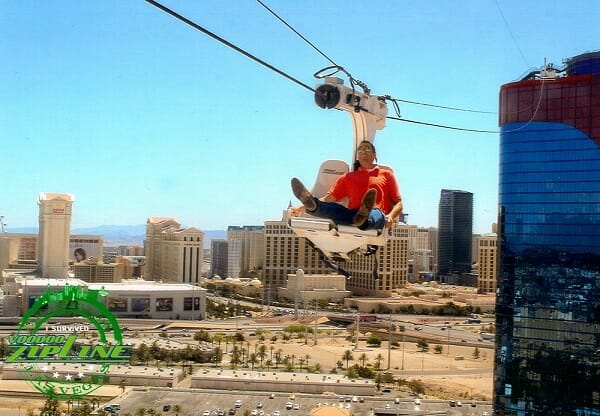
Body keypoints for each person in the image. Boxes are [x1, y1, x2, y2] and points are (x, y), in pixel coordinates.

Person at [290, 140, 403, 230]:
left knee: (375, 214)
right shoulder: (348, 177)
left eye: (367, 148)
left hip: (376, 213)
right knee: (335, 209)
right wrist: (303, 207)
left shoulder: (386, 174)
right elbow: (328, 199)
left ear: (374, 154)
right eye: (360, 149)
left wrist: (391, 216)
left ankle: (364, 218)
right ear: (358, 155)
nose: (363, 151)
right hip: (352, 215)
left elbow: (398, 202)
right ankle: (313, 205)